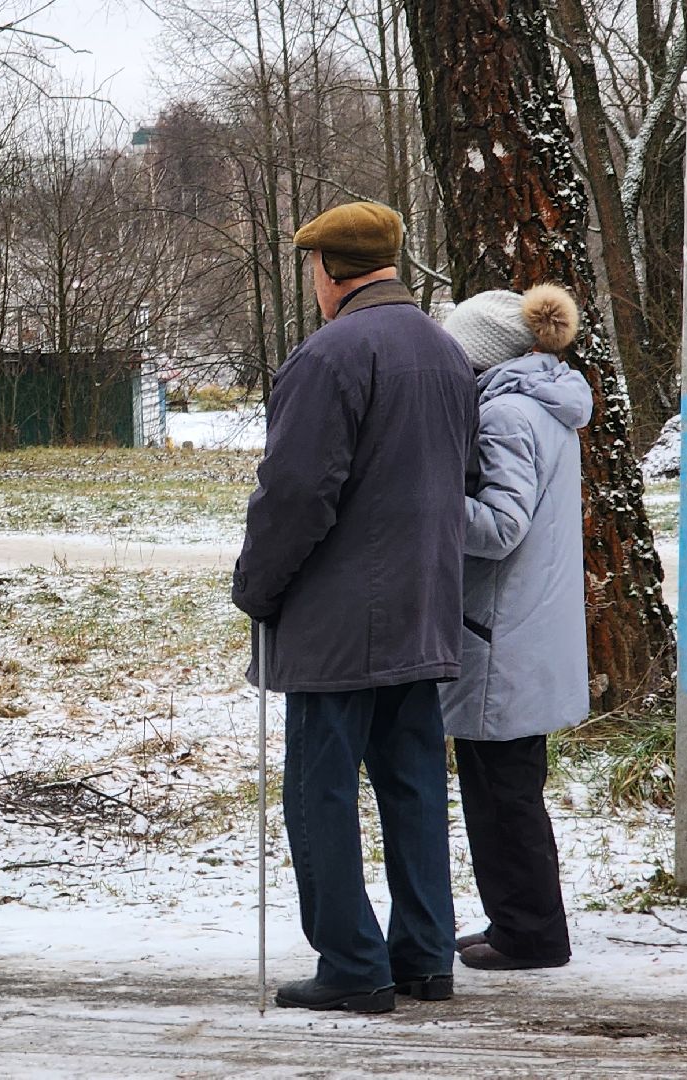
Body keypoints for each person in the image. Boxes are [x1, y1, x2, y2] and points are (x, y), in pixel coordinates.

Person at [231, 202, 478, 1013]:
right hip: (424, 604)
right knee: (412, 785)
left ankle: (350, 963)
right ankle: (422, 958)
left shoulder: (329, 354)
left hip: (339, 619)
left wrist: (256, 586)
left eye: (311, 269)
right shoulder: (444, 352)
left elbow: (296, 493)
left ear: (328, 270)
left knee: (321, 790)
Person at [436, 284, 593, 972]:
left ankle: (528, 934)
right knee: (509, 787)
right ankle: (519, 921)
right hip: (525, 626)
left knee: (500, 794)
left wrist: (428, 501)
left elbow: (501, 528)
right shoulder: (544, 404)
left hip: (501, 632)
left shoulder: (501, 414)